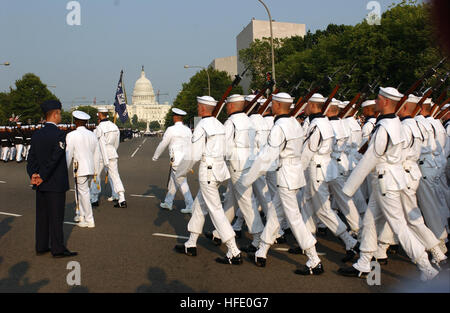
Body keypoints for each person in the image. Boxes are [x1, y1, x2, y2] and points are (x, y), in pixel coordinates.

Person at [338, 87, 439, 282]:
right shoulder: (394, 123)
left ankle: (426, 267)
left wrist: (348, 188)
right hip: (386, 180)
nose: (375, 102)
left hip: (385, 181)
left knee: (399, 226)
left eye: (377, 99)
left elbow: (371, 157)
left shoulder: (385, 127)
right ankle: (364, 262)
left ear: (384, 102)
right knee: (369, 220)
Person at [238, 92, 324, 275]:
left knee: (294, 219)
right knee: (276, 214)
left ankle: (314, 259)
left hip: (285, 175)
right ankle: (262, 251)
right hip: (293, 173)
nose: (271, 106)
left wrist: (247, 179)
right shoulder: (294, 123)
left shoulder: (279, 127)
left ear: (277, 105)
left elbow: (267, 157)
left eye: (273, 103)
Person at [174, 95, 242, 265]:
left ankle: (233, 250)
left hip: (208, 172)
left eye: (198, 106)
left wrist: (179, 173)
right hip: (219, 170)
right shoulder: (220, 125)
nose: (197, 109)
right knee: (199, 206)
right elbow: (227, 150)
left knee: (216, 211)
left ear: (203, 108)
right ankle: (191, 243)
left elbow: (193, 155)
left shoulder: (202, 126)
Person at [26, 99, 77, 258]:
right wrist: (42, 175)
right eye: (60, 113)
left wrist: (33, 174)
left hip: (40, 184)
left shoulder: (37, 134)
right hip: (54, 183)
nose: (60, 116)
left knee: (42, 217)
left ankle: (41, 246)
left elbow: (31, 158)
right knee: (56, 218)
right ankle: (57, 248)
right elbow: (55, 159)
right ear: (55, 114)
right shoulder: (60, 134)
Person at [152, 108, 194, 214]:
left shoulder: (171, 129)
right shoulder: (188, 130)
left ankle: (190, 205)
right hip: (186, 159)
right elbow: (191, 145)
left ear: (175, 117)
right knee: (173, 181)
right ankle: (168, 201)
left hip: (176, 160)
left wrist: (156, 156)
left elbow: (163, 144)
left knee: (181, 181)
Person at [66, 111, 99, 228]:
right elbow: (96, 154)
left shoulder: (71, 135)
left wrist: (64, 169)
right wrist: (96, 170)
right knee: (80, 192)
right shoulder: (92, 135)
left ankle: (88, 219)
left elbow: (68, 155)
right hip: (90, 167)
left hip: (79, 168)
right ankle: (80, 214)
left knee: (83, 193)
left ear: (76, 121)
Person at [90, 107, 127, 208]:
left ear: (100, 115)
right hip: (112, 152)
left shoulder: (99, 128)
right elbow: (116, 143)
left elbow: (100, 144)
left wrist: (105, 158)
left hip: (101, 154)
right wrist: (112, 151)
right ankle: (122, 198)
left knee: (96, 176)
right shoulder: (114, 126)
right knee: (115, 176)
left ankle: (94, 198)